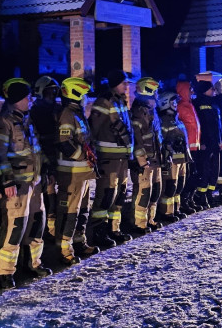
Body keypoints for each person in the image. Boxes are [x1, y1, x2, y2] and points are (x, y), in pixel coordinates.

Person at [0, 79, 51, 290]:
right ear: (17, 100)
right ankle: (5, 272)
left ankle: (33, 263)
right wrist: (7, 180)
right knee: (14, 227)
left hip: (34, 181)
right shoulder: (2, 122)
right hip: (16, 184)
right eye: (28, 97)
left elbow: (36, 149)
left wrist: (45, 170)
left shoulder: (26, 119)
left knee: (36, 222)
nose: (31, 100)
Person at [53, 77, 99, 265]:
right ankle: (65, 250)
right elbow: (64, 143)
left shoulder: (77, 113)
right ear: (76, 95)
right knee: (70, 213)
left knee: (83, 210)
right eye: (84, 95)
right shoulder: (67, 114)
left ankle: (79, 242)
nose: (86, 98)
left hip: (83, 173)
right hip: (72, 174)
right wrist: (83, 156)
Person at [86, 70, 135, 248]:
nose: (127, 86)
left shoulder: (120, 101)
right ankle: (98, 232)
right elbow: (94, 129)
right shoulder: (104, 101)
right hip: (108, 158)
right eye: (124, 83)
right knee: (106, 195)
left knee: (120, 194)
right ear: (115, 84)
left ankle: (114, 229)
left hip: (121, 157)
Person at [125, 77, 164, 237]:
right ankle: (138, 223)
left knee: (155, 190)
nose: (157, 94)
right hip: (145, 162)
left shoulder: (151, 110)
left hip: (155, 159)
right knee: (143, 192)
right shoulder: (138, 112)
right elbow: (136, 139)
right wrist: (141, 161)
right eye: (155, 91)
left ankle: (150, 219)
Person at [30, 76, 62, 241]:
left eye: (55, 91)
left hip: (58, 155)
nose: (53, 95)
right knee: (47, 193)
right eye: (50, 91)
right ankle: (47, 230)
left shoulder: (57, 109)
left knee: (57, 194)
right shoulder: (35, 111)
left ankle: (54, 227)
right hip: (43, 157)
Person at [156, 90, 192, 222]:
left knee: (179, 185)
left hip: (182, 158)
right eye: (173, 102)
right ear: (165, 103)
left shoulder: (176, 119)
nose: (176, 104)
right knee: (170, 186)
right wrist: (170, 144)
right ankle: (166, 212)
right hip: (172, 160)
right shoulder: (164, 121)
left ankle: (176, 209)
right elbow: (161, 140)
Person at [193, 80, 222, 208]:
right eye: (211, 89)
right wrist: (202, 142)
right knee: (205, 170)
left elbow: (218, 124)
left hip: (215, 142)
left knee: (214, 170)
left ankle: (210, 194)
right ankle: (202, 196)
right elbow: (201, 126)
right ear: (205, 90)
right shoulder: (198, 104)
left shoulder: (213, 103)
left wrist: (221, 140)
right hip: (205, 143)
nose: (214, 91)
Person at [175, 80, 201, 213]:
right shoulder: (180, 107)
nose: (192, 92)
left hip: (195, 147)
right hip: (187, 149)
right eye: (190, 89)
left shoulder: (190, 105)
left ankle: (190, 199)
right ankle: (184, 201)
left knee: (194, 175)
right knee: (188, 176)